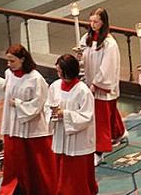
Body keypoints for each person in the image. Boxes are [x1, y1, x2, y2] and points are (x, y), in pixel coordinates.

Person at [0, 44, 56, 195]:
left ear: (22, 59)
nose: (8, 64)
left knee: (36, 163)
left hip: (31, 126)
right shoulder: (9, 73)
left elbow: (39, 103)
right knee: (16, 161)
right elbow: (8, 87)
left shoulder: (36, 78)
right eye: (8, 61)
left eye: (12, 61)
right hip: (13, 124)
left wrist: (18, 104)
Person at [78, 8, 125, 166]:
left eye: (96, 22)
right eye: (90, 21)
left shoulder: (109, 44)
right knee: (108, 114)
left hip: (100, 86)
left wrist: (96, 83)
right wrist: (80, 59)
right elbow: (84, 57)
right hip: (89, 82)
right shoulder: (87, 38)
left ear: (103, 22)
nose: (92, 25)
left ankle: (99, 151)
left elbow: (107, 67)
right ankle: (120, 132)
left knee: (101, 119)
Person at [48, 54, 97, 195]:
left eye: (59, 71)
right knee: (61, 172)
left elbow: (87, 116)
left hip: (78, 141)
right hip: (61, 135)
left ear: (68, 70)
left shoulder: (83, 91)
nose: (57, 74)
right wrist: (52, 114)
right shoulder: (55, 87)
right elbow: (47, 106)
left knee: (76, 178)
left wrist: (65, 114)